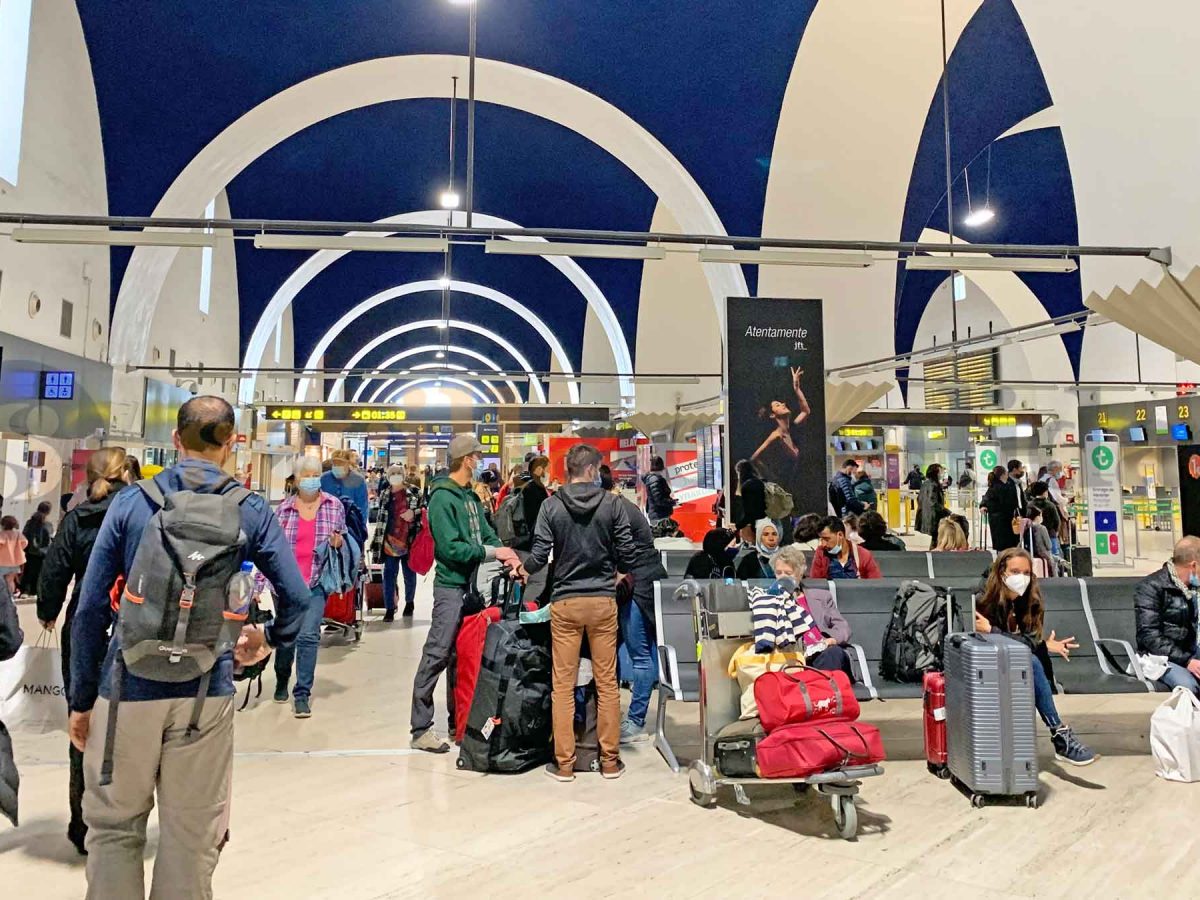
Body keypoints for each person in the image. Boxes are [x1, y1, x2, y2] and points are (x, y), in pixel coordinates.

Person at [69, 396, 312, 896]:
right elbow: (298, 597)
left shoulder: (132, 502)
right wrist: (266, 639)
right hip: (206, 690)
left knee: (114, 830)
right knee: (190, 837)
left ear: (176, 439)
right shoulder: (250, 509)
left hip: (127, 687)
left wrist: (81, 699)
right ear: (231, 443)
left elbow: (90, 608)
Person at [516, 444, 638, 781]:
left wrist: (523, 568)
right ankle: (610, 762)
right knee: (607, 683)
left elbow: (540, 555)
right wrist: (616, 573)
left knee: (563, 685)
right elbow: (629, 554)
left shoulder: (551, 505)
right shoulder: (613, 504)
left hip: (566, 603)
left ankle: (565, 764)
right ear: (591, 470)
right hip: (602, 602)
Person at [37, 448, 133, 855]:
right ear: (126, 475)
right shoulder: (141, 516)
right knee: (132, 724)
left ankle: (82, 826)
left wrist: (47, 612)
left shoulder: (77, 519)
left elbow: (53, 572)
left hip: (83, 629)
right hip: (133, 625)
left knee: (82, 722)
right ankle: (123, 820)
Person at [411, 435, 520, 753]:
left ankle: (458, 722)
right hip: (451, 587)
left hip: (473, 587)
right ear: (466, 459)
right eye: (477, 455)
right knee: (437, 653)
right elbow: (451, 548)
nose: (480, 460)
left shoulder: (470, 497)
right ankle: (420, 727)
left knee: (461, 655)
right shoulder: (442, 499)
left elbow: (486, 533)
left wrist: (507, 555)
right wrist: (493, 552)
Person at [974, 548, 1096, 765]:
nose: (1021, 578)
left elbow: (1029, 643)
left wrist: (994, 631)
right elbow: (976, 641)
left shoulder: (1032, 601)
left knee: (1028, 660)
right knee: (1029, 660)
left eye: (1026, 573)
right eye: (1015, 572)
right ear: (1001, 572)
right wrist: (1028, 643)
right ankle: (1059, 732)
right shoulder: (982, 599)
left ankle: (1058, 736)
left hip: (1017, 664)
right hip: (984, 663)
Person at [260, 455, 346, 718]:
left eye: (315, 475)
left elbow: (342, 537)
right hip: (286, 585)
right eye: (305, 476)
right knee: (287, 637)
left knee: (308, 636)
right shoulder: (283, 510)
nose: (311, 480)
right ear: (296, 480)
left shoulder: (334, 506)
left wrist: (338, 542)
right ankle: (282, 678)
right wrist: (257, 585)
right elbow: (270, 550)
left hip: (316, 582)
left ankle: (302, 694)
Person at [601, 465, 666, 744]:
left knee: (641, 655)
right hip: (639, 582)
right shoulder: (618, 506)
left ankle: (636, 721)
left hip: (639, 585)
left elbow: (622, 553)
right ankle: (616, 715)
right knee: (626, 652)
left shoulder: (617, 510)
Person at [771, 545, 853, 676]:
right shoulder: (769, 601)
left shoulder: (821, 597)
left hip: (822, 653)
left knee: (833, 653)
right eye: (779, 573)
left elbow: (843, 627)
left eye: (788, 573)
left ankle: (822, 686)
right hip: (791, 658)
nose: (783, 578)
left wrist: (832, 640)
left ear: (799, 573)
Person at [1134, 537, 1200, 695]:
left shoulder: (1194, 589)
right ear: (1194, 565)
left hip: (1191, 651)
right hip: (1162, 658)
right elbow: (1149, 636)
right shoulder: (1151, 587)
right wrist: (1187, 660)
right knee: (1189, 686)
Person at [750, 368, 812, 509]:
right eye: (778, 405)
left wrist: (796, 388)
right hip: (783, 493)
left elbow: (805, 411)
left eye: (782, 403)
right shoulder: (775, 436)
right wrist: (771, 477)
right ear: (773, 415)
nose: (783, 404)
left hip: (796, 491)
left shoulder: (793, 429)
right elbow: (753, 459)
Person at [371, 466, 422, 621]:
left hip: (409, 539)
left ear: (404, 475)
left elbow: (425, 509)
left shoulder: (414, 491)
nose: (395, 476)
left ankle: (409, 602)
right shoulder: (385, 493)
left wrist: (414, 513)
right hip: (389, 540)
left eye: (398, 473)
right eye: (392, 473)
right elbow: (381, 518)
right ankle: (389, 607)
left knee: (409, 574)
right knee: (389, 575)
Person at [809, 516, 882, 580]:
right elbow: (815, 583)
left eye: (826, 539)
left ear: (840, 535)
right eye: (821, 539)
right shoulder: (821, 553)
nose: (823, 544)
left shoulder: (863, 555)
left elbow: (876, 584)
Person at [981, 462, 1023, 552]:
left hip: (996, 522)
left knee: (1001, 547)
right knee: (1010, 546)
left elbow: (986, 499)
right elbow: (1013, 503)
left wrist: (983, 506)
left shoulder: (993, 487)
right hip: (1006, 521)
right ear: (1003, 475)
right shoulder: (1007, 487)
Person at [320, 447, 369, 525]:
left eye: (341, 464)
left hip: (350, 524)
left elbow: (362, 507)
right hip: (327, 522)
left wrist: (360, 527)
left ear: (348, 463)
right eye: (335, 464)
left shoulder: (358, 480)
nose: (337, 466)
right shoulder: (324, 479)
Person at [20, 501, 53, 597]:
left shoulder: (30, 522)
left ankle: (25, 590)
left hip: (29, 551)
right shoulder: (48, 524)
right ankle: (35, 591)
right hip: (42, 553)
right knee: (39, 572)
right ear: (48, 511)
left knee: (28, 571)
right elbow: (49, 539)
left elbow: (24, 535)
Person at [915, 463, 949, 540]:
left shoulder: (927, 483)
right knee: (938, 539)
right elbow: (932, 502)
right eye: (940, 472)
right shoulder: (932, 485)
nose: (941, 474)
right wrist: (946, 512)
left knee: (937, 539)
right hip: (933, 517)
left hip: (930, 516)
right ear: (935, 473)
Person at [733, 458, 766, 535]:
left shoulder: (747, 487)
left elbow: (749, 515)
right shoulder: (761, 481)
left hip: (759, 527)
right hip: (771, 524)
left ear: (740, 473)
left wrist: (735, 527)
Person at [521, 455, 550, 539]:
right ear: (539, 469)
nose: (548, 472)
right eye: (547, 469)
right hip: (533, 533)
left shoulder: (531, 485)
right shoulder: (532, 488)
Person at [642, 455, 676, 523]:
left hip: (657, 513)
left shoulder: (653, 479)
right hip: (659, 515)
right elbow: (659, 500)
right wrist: (672, 502)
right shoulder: (655, 480)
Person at [0, 517, 27, 596]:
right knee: (10, 581)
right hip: (15, 562)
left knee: (2, 582)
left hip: (2, 562)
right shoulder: (18, 534)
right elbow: (25, 543)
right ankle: (10, 596)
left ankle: (3, 597)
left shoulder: (2, 534)